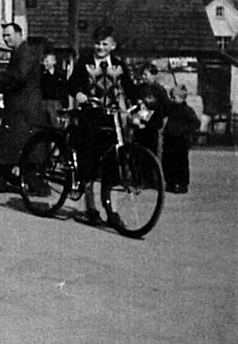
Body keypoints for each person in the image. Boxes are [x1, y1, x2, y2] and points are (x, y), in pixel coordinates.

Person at [67, 25, 132, 226]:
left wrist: (140, 103)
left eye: (105, 44)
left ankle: (111, 209)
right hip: (91, 117)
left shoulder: (119, 65)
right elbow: (71, 85)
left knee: (112, 165)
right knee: (89, 163)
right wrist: (78, 94)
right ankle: (91, 208)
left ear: (113, 46)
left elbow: (129, 87)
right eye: (97, 43)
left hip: (112, 120)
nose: (100, 47)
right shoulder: (85, 62)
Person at [0, 22, 45, 193]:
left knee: (19, 145)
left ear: (19, 34)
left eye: (8, 35)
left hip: (24, 108)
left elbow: (20, 76)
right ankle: (12, 179)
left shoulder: (25, 52)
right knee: (12, 145)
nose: (6, 39)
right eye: (4, 36)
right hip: (19, 107)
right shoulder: (20, 52)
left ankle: (25, 181)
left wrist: (0, 78)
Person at [162, 85, 198, 194]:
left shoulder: (187, 110)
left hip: (181, 140)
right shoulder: (170, 108)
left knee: (181, 163)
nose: (173, 100)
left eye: (174, 97)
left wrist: (184, 130)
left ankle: (182, 184)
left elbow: (195, 123)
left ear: (181, 98)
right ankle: (170, 183)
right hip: (169, 139)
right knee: (168, 162)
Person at [131, 63, 170, 159]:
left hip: (153, 128)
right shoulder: (139, 89)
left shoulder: (160, 91)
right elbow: (134, 106)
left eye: (146, 74)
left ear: (153, 75)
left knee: (151, 155)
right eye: (142, 75)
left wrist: (149, 110)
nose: (143, 77)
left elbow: (164, 110)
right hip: (138, 127)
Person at [39, 47, 69, 128]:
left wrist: (65, 104)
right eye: (44, 61)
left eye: (47, 61)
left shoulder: (60, 75)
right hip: (44, 102)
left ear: (54, 62)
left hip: (57, 103)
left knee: (57, 124)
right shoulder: (41, 76)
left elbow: (65, 89)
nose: (45, 63)